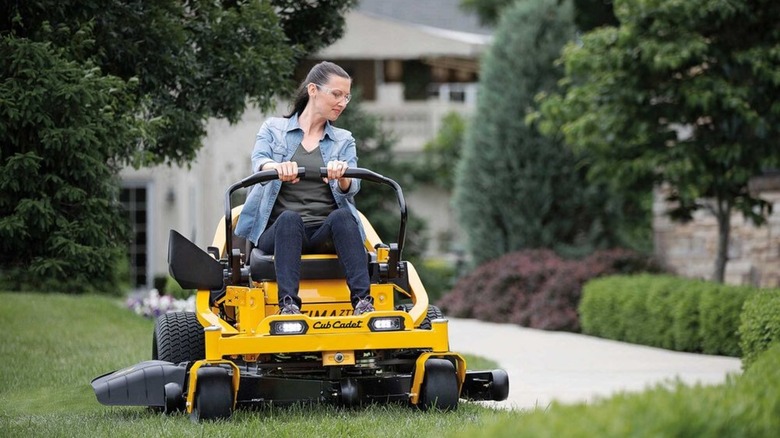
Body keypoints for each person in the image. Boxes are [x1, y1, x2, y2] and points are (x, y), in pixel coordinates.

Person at [235, 61, 374, 316]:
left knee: (344, 217)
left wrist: (342, 176)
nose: (343, 103)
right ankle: (288, 306)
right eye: (336, 94)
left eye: (347, 97)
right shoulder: (273, 129)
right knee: (290, 219)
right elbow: (260, 163)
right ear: (313, 90)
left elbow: (352, 187)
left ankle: (363, 303)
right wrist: (276, 167)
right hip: (280, 232)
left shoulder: (344, 140)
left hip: (324, 233)